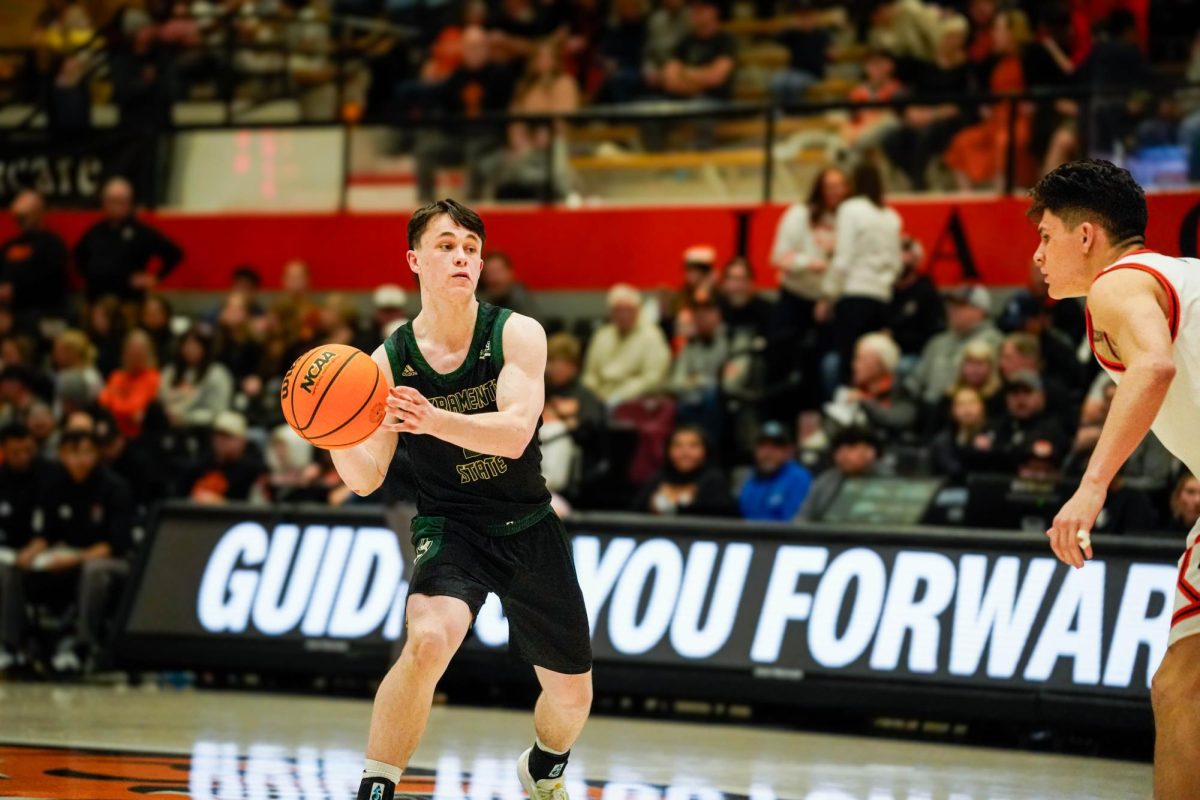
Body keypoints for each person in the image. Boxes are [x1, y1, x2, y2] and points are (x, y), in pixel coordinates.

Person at [328, 199, 592, 800]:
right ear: (414, 259)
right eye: (447, 245)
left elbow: (516, 431)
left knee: (571, 697)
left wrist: (431, 418)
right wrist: (333, 436)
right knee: (427, 639)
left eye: (471, 248)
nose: (462, 257)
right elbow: (366, 477)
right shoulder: (386, 363)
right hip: (453, 525)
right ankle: (377, 786)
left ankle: (543, 768)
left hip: (528, 523)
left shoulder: (517, 333)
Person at [1028, 160, 1200, 797]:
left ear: (1086, 236)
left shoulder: (1118, 284)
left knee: (1184, 687)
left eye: (1047, 236)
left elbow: (1152, 367)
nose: (1038, 253)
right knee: (1183, 683)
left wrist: (1092, 486)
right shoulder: (1181, 275)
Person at [24, 430, 134, 673]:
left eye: (87, 453)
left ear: (97, 455)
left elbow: (115, 545)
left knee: (93, 571)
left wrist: (74, 559)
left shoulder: (114, 487)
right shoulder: (54, 485)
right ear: (62, 455)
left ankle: (82, 646)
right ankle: (13, 646)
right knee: (11, 568)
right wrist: (30, 553)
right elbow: (44, 535)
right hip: (63, 559)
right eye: (74, 453)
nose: (81, 460)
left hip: (110, 563)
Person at [820, 161, 903, 386]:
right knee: (876, 367)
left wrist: (827, 295)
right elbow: (896, 265)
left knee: (851, 365)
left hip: (854, 297)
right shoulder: (891, 216)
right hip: (882, 301)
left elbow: (843, 258)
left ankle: (848, 410)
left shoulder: (851, 209)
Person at [74, 177, 183, 303]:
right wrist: (92, 276)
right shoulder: (95, 231)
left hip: (128, 302)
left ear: (129, 203)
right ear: (104, 202)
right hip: (97, 301)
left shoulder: (141, 232)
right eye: (112, 201)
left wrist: (155, 277)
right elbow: (79, 256)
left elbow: (174, 253)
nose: (116, 206)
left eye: (121, 202)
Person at [0, 423, 49, 671]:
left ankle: (9, 645)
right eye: (15, 452)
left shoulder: (45, 478)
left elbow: (50, 529)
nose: (22, 457)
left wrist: (33, 549)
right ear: (4, 451)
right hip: (5, 549)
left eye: (26, 451)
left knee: (10, 573)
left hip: (37, 551)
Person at [907, 284, 1002, 407]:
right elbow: (916, 380)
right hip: (929, 409)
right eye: (951, 305)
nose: (952, 310)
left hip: (969, 408)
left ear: (980, 310)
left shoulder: (994, 341)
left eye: (960, 305)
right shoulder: (938, 341)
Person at [581, 284, 672, 406]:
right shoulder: (602, 335)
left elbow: (653, 378)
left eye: (628, 310)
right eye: (618, 310)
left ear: (638, 311)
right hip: (599, 398)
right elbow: (590, 374)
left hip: (635, 401)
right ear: (610, 312)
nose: (622, 315)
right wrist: (592, 394)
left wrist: (618, 396)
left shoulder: (652, 336)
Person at [0, 189, 68, 336]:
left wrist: (16, 290)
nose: (21, 222)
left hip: (43, 311)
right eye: (18, 218)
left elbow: (52, 280)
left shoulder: (52, 244)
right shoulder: (10, 246)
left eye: (25, 217)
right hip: (10, 311)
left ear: (39, 214)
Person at [633, 424, 736, 516]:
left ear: (706, 450)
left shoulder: (715, 480)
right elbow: (634, 513)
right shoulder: (657, 478)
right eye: (677, 445)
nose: (685, 453)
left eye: (693, 445)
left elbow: (719, 517)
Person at [796, 425, 883, 522]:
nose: (843, 454)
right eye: (839, 448)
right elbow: (803, 518)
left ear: (870, 452)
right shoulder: (826, 481)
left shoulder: (890, 483)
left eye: (851, 447)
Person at [184, 410, 267, 504]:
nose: (221, 441)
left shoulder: (253, 470)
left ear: (242, 440)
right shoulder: (200, 465)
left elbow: (258, 507)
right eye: (218, 435)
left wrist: (220, 503)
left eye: (228, 436)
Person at [738, 421, 812, 522]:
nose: (768, 453)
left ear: (788, 451)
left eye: (775, 447)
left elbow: (794, 524)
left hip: (783, 537)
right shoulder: (751, 477)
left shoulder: (798, 478)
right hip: (749, 536)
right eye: (763, 446)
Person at [478, 251, 541, 320]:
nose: (494, 278)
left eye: (498, 271)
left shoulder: (520, 298)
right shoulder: (481, 300)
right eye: (489, 273)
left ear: (510, 273)